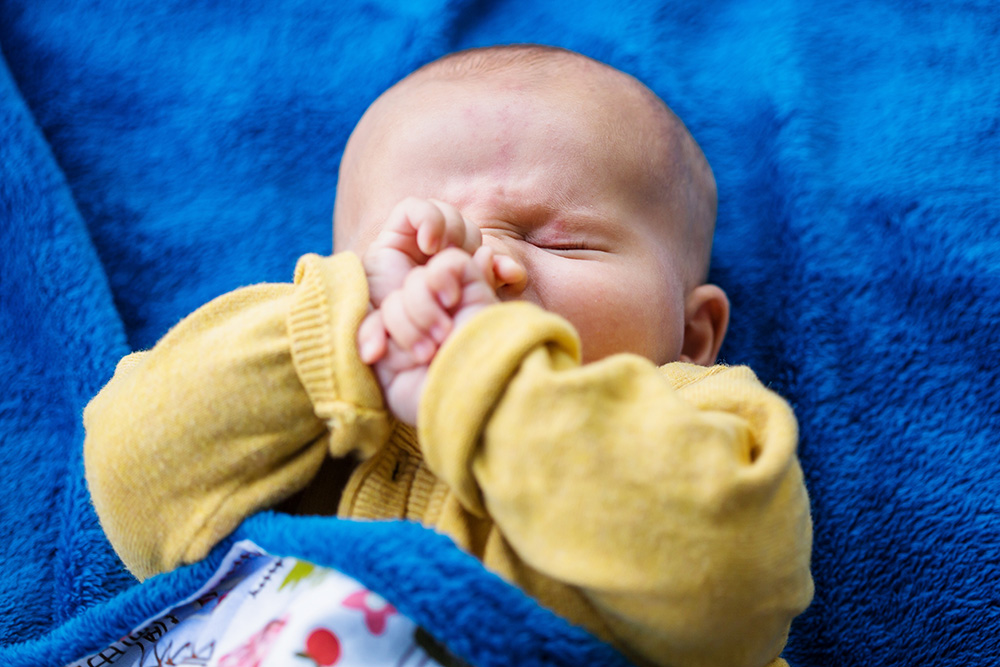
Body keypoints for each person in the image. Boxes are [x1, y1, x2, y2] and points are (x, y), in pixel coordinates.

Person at [84, 44, 813, 667]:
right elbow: (130, 482)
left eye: (561, 241)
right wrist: (336, 324)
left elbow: (730, 583)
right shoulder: (316, 432)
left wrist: (488, 377)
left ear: (692, 333)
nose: (483, 262)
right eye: (418, 243)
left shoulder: (702, 419)